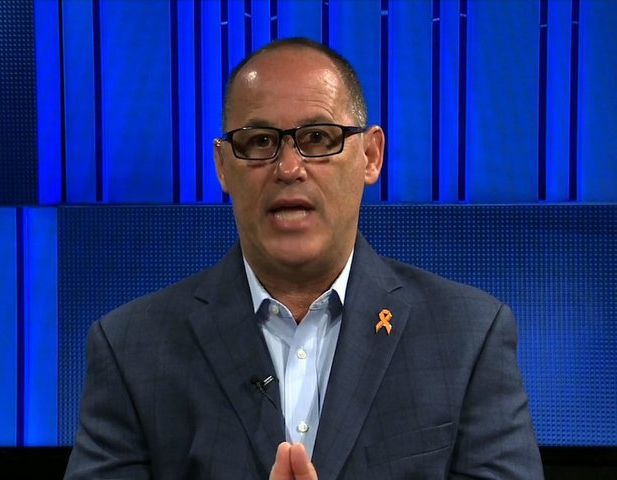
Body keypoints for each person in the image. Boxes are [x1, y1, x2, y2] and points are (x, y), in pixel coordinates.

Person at [64, 37, 543, 479]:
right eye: (260, 141)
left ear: (371, 156)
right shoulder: (130, 349)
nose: (289, 168)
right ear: (223, 166)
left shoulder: (469, 336)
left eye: (318, 137)